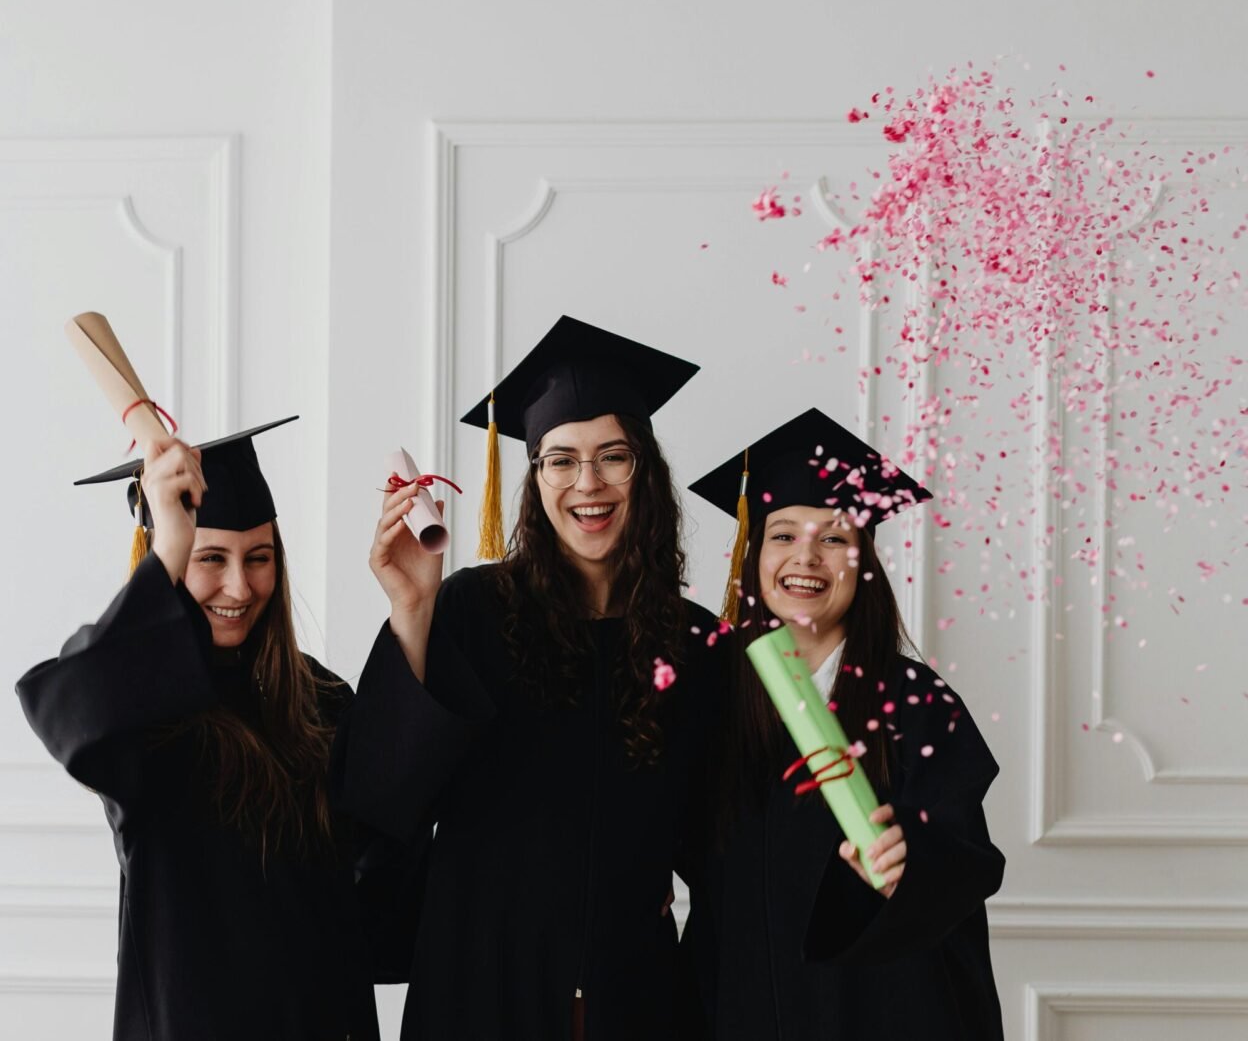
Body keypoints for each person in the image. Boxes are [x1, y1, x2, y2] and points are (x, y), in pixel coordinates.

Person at [334, 315, 717, 1039]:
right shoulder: (476, 611)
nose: (588, 483)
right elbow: (384, 797)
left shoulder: (694, 643)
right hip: (479, 987)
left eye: (613, 456)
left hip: (635, 993)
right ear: (534, 477)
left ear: (647, 470)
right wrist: (412, 608)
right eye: (562, 459)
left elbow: (720, 838)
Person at [18, 416, 408, 1041]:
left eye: (259, 558)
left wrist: (411, 614)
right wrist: (171, 544)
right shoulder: (146, 714)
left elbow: (389, 865)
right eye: (209, 559)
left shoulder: (321, 698)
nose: (239, 586)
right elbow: (68, 708)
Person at [677, 406, 1005, 1040]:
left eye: (833, 537)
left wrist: (909, 858)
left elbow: (968, 859)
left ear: (864, 562)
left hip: (880, 1011)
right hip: (733, 1004)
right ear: (754, 552)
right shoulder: (712, 699)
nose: (806, 557)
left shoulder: (916, 705)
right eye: (783, 534)